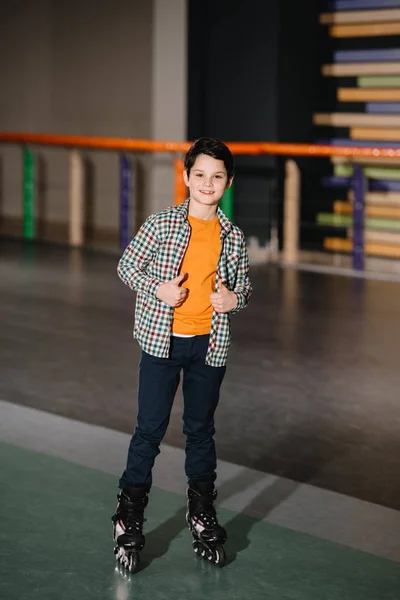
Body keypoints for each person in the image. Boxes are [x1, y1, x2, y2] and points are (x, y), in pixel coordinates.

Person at [112, 137, 252, 571]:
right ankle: (128, 517)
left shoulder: (232, 235)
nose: (207, 183)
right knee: (149, 430)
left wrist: (235, 300)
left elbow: (243, 287)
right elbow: (127, 266)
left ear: (228, 182)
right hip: (161, 343)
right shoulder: (161, 224)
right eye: (199, 175)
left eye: (217, 176)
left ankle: (201, 511)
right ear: (186, 177)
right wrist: (159, 288)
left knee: (200, 431)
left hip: (209, 346)